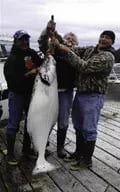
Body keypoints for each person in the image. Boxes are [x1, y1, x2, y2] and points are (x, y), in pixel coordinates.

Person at [51, 30, 115, 169]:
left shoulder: (107, 57)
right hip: (80, 93)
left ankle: (86, 161)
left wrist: (64, 49)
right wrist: (57, 36)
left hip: (94, 96)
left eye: (108, 38)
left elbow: (83, 66)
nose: (103, 39)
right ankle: (78, 154)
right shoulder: (91, 49)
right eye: (102, 36)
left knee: (89, 129)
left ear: (112, 42)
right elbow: (72, 49)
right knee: (78, 126)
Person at [38, 18, 78, 158]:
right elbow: (42, 42)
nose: (70, 41)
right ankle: (43, 143)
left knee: (63, 120)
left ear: (76, 43)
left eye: (73, 40)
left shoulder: (77, 55)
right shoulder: (53, 50)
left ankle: (60, 147)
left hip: (66, 92)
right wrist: (48, 30)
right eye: (67, 38)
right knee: (47, 119)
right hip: (50, 91)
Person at [4, 30, 42, 165]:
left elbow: (41, 63)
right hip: (17, 95)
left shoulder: (32, 53)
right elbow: (13, 83)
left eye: (26, 39)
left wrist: (38, 68)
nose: (25, 42)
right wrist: (30, 73)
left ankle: (26, 149)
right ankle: (10, 154)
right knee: (13, 124)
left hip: (31, 94)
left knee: (30, 122)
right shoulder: (11, 60)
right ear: (16, 41)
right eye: (21, 40)